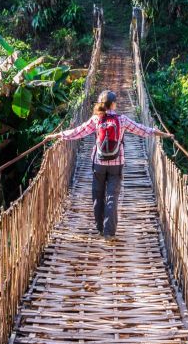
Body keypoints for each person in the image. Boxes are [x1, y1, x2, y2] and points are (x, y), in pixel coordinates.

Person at [46, 90, 172, 240]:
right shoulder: (122, 120)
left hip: (98, 163)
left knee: (97, 196)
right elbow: (142, 130)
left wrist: (58, 135)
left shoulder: (96, 119)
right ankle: (109, 233)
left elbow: (78, 132)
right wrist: (162, 134)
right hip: (116, 164)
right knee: (112, 197)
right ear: (113, 104)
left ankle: (100, 228)